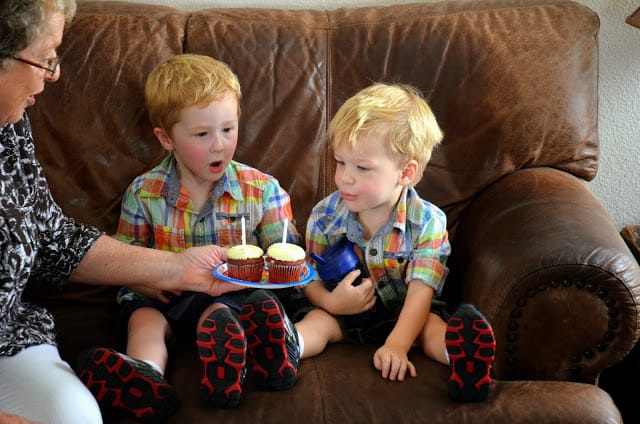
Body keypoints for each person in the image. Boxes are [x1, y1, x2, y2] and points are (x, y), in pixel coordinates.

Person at [0, 1, 244, 423]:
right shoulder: (146, 192)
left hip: (9, 339)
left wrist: (177, 269)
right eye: (44, 59)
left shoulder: (11, 123)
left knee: (77, 416)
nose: (53, 75)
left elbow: (52, 237)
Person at [75, 54, 303, 420]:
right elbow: (126, 260)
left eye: (228, 129)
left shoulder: (263, 190)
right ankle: (144, 376)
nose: (219, 145)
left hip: (232, 297)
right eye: (202, 134)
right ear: (166, 138)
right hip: (166, 296)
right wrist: (147, 283)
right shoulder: (144, 192)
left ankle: (226, 367)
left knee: (224, 311)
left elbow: (285, 264)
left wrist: (254, 273)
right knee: (143, 317)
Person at [293, 83, 496, 402]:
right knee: (317, 322)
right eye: (340, 162)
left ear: (406, 172)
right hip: (342, 315)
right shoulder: (325, 215)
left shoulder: (427, 222)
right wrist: (332, 303)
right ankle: (283, 347)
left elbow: (421, 292)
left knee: (430, 328)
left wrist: (397, 345)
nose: (345, 177)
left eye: (362, 167)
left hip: (407, 317)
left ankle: (466, 360)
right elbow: (308, 277)